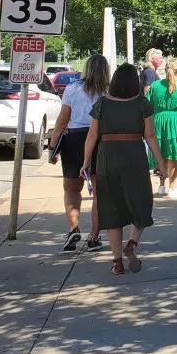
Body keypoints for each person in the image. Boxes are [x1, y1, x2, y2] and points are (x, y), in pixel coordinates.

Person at [83, 63, 166, 275]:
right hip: (134, 155)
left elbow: (92, 136)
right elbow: (150, 136)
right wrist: (160, 163)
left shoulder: (101, 105)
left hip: (107, 156)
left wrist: (85, 163)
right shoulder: (142, 104)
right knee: (141, 200)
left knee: (112, 206)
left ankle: (117, 262)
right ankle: (132, 243)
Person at [49, 55, 110, 252]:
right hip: (102, 140)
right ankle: (94, 237)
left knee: (72, 188)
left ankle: (73, 228)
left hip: (74, 140)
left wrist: (52, 147)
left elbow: (62, 119)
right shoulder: (109, 91)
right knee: (100, 191)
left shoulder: (72, 89)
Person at [148, 57, 177, 198]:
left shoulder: (155, 86)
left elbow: (147, 106)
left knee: (161, 152)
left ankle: (162, 185)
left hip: (159, 121)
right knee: (174, 154)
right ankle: (173, 187)